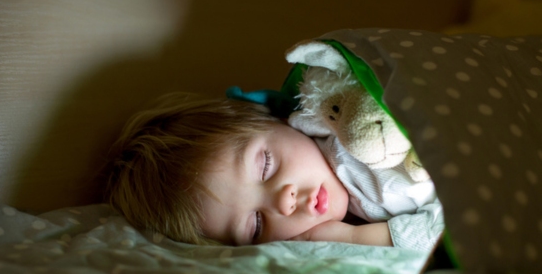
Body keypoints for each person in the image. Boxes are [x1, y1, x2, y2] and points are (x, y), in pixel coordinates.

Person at [106, 91, 441, 249]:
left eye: (265, 165)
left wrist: (364, 238)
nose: (284, 202)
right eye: (256, 225)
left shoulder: (351, 125)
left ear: (279, 121)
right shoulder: (359, 206)